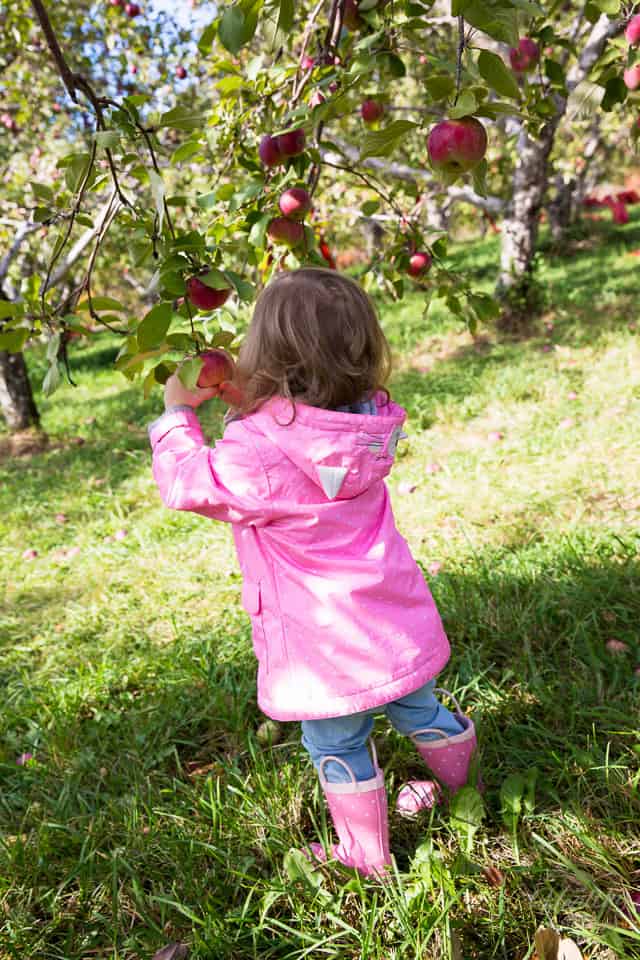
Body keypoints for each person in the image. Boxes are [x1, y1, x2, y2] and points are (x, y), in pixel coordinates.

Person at [148, 267, 479, 878]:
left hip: (323, 643)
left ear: (267, 354)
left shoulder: (257, 449)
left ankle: (365, 857)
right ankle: (470, 798)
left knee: (337, 741)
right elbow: (307, 433)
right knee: (422, 710)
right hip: (389, 620)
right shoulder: (368, 422)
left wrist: (175, 415)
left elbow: (190, 483)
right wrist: (249, 400)